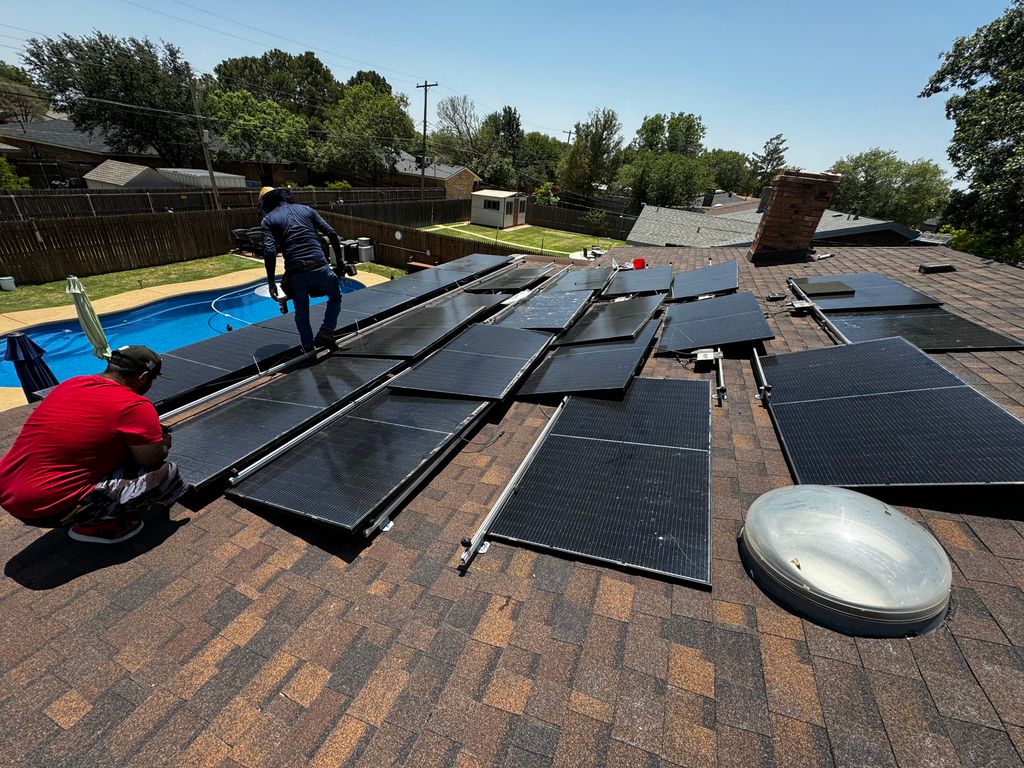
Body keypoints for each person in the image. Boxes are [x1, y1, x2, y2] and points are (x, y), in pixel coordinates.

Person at [0, 346, 188, 544]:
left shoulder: (72, 383)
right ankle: (98, 526)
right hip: (45, 508)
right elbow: (151, 457)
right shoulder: (135, 405)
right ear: (143, 377)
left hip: (7, 491)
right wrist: (164, 442)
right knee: (168, 474)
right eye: (152, 378)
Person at [259, 187, 343, 352]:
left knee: (301, 311)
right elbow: (331, 233)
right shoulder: (307, 210)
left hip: (296, 273)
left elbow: (269, 251)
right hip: (320, 266)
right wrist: (339, 261)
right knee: (335, 296)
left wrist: (271, 283)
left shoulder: (268, 220)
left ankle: (308, 348)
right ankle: (326, 331)